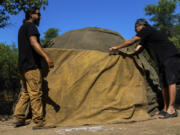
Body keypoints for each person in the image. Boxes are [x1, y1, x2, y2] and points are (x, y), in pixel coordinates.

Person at [109, 18, 179, 119]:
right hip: (161, 61)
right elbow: (138, 49)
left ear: (141, 26)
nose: (136, 31)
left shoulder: (147, 30)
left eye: (136, 29)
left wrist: (117, 47)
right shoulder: (145, 38)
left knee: (170, 81)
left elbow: (133, 41)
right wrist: (126, 54)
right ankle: (165, 108)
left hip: (170, 56)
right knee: (163, 84)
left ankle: (171, 109)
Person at [13, 7, 55, 129]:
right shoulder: (31, 27)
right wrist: (47, 57)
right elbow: (33, 42)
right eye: (38, 14)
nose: (40, 17)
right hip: (32, 66)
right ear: (31, 15)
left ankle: (19, 118)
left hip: (22, 66)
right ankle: (39, 122)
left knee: (26, 93)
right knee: (36, 93)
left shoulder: (22, 28)